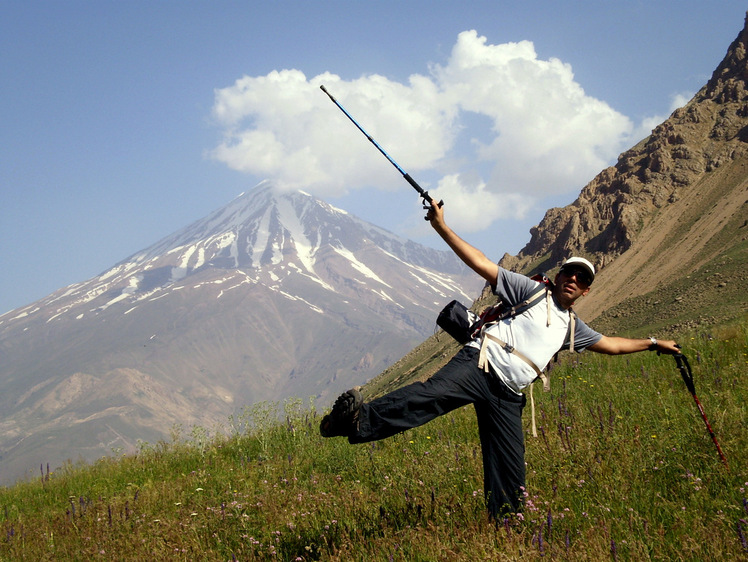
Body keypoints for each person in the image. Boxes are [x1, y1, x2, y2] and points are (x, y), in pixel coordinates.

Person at [320, 200, 680, 518]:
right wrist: (442, 226)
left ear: (586, 290)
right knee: (429, 397)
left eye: (581, 278)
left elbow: (612, 345)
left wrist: (652, 343)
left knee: (510, 463)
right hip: (481, 364)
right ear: (558, 276)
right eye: (569, 272)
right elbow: (482, 264)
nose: (572, 278)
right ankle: (353, 420)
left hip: (509, 395)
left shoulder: (573, 327)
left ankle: (506, 523)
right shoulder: (532, 290)